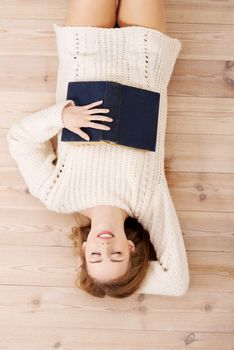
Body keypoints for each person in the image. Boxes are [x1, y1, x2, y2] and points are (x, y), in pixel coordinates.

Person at [7, 0, 190, 298]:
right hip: (144, 55)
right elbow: (176, 283)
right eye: (116, 256)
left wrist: (61, 116)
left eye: (95, 257)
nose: (105, 247)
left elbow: (19, 140)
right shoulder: (147, 202)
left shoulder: (58, 195)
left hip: (84, 51)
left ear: (84, 249)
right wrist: (117, 282)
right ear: (131, 249)